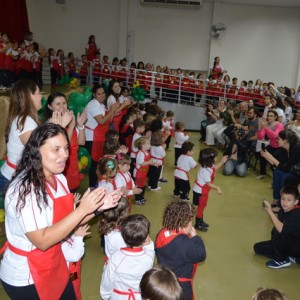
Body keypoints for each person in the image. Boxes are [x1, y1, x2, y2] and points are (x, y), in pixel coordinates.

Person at [0, 123, 121, 300]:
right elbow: (42, 241)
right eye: (56, 149)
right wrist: (81, 210)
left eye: (65, 148)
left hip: (54, 261)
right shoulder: (25, 190)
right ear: (36, 151)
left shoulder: (59, 178)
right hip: (27, 275)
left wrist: (98, 208)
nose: (65, 154)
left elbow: (68, 222)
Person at [0, 79, 41, 205]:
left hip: (12, 176)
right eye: (38, 92)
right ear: (30, 95)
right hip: (14, 178)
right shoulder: (26, 122)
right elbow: (39, 151)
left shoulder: (23, 119)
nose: (41, 96)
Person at [155, 200, 206, 300]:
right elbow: (201, 255)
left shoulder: (162, 232)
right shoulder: (185, 243)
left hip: (165, 280)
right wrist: (196, 238)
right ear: (185, 224)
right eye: (192, 221)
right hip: (180, 285)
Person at [100, 214, 155, 300]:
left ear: (123, 235)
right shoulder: (149, 257)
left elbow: (108, 279)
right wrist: (149, 243)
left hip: (118, 296)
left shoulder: (116, 257)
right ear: (146, 237)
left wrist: (106, 295)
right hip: (139, 297)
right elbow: (150, 249)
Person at [45, 92, 87, 192]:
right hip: (60, 170)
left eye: (64, 103)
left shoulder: (68, 120)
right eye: (58, 104)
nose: (62, 106)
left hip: (73, 169)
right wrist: (71, 126)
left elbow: (81, 142)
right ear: (50, 107)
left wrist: (80, 126)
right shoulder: (50, 124)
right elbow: (63, 146)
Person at [253, 186, 300, 269]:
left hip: (297, 245)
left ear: (296, 202)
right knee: (258, 247)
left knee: (276, 231)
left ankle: (281, 260)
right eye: (283, 199)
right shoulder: (282, 211)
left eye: (289, 200)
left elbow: (281, 230)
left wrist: (270, 212)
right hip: (290, 241)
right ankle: (289, 255)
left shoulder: (297, 214)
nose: (285, 202)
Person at [84, 84, 119, 187]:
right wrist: (112, 110)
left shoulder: (101, 104)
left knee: (99, 162)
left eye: (103, 93)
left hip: (99, 137)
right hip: (92, 138)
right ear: (94, 94)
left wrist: (112, 110)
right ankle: (92, 186)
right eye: (98, 94)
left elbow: (109, 120)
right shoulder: (93, 104)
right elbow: (101, 121)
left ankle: (98, 184)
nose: (101, 95)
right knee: (94, 163)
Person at [260, 130, 300, 212]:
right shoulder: (283, 149)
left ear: (285, 141)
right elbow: (279, 166)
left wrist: (270, 157)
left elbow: (286, 168)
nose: (277, 140)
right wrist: (266, 156)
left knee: (286, 177)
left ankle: (281, 205)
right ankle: (276, 199)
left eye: (279, 139)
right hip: (291, 170)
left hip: (297, 173)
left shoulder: (297, 149)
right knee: (277, 172)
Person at [193, 148, 227, 231]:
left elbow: (214, 168)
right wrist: (217, 188)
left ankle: (200, 221)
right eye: (215, 157)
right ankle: (198, 224)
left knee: (202, 206)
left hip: (203, 191)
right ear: (210, 159)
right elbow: (209, 184)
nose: (216, 159)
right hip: (200, 192)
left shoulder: (208, 166)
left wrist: (222, 162)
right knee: (200, 208)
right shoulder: (205, 171)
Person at [62, 224, 91, 300]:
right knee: (73, 289)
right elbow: (75, 256)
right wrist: (79, 237)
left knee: (76, 287)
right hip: (68, 275)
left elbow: (70, 240)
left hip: (73, 271)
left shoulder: (63, 235)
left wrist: (76, 234)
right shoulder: (60, 244)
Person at [256, 110, 284, 180]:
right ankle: (263, 174)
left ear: (275, 117)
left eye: (271, 116)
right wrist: (260, 127)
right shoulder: (267, 125)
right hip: (271, 146)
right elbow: (260, 137)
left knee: (273, 161)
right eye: (268, 116)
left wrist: (265, 127)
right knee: (262, 154)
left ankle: (276, 178)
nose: (269, 117)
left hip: (280, 147)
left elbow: (275, 135)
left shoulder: (279, 125)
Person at [134, 137, 159, 205]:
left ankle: (141, 197)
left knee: (143, 185)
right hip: (139, 173)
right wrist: (149, 162)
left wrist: (154, 163)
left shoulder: (146, 152)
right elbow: (141, 163)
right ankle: (138, 199)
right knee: (139, 186)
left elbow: (149, 161)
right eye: (148, 144)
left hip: (144, 173)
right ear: (142, 145)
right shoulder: (140, 153)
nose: (149, 145)